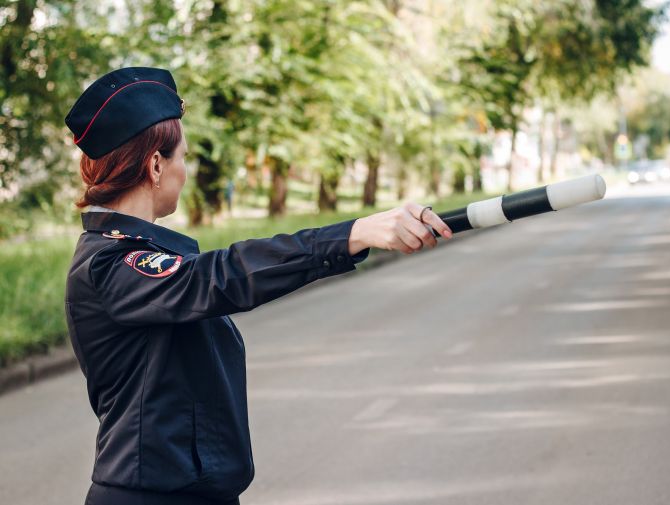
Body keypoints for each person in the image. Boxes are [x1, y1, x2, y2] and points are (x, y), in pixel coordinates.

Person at [63, 67, 453, 505]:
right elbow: (218, 277)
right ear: (155, 165)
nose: (185, 172)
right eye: (183, 158)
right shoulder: (111, 262)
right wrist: (353, 234)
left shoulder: (139, 256)